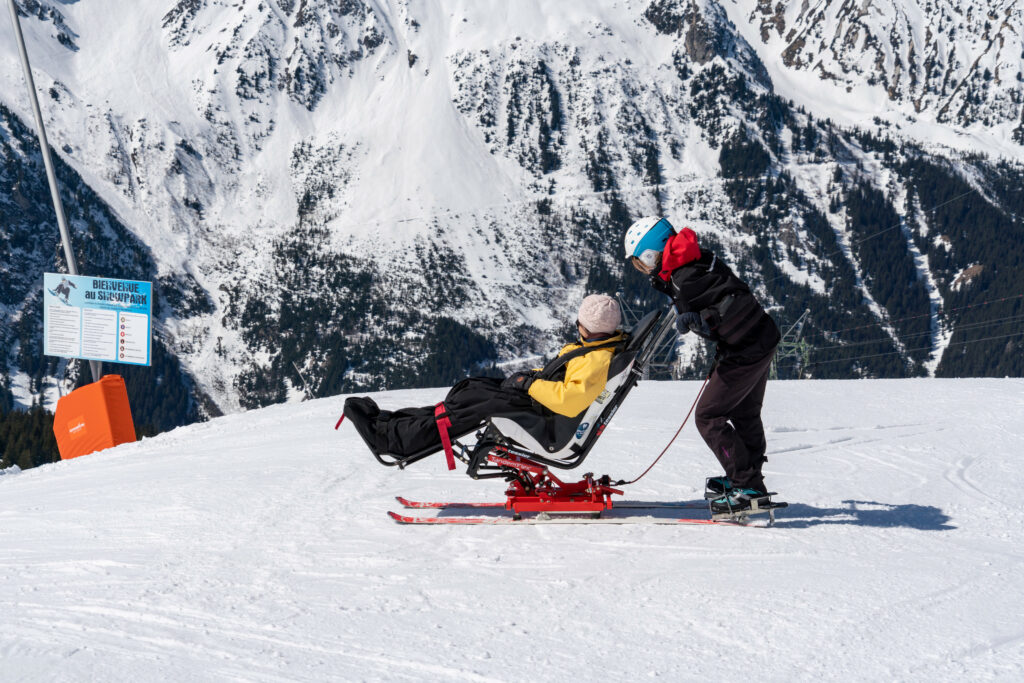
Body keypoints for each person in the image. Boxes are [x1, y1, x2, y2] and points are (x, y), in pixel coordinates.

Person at [344, 294, 626, 461]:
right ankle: (391, 422)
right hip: (542, 406)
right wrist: (532, 378)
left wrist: (531, 384)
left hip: (548, 423)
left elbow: (569, 400)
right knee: (472, 389)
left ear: (587, 327)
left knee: (472, 406)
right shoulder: (596, 348)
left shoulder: (596, 359)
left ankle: (391, 439)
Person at [624, 216, 781, 513]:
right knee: (745, 412)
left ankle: (745, 484)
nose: (643, 270)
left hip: (746, 348)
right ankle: (749, 480)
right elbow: (724, 293)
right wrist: (703, 320)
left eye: (641, 262)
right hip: (759, 338)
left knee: (709, 415)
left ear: (652, 253)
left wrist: (704, 322)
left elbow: (735, 305)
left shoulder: (685, 276)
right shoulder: (691, 261)